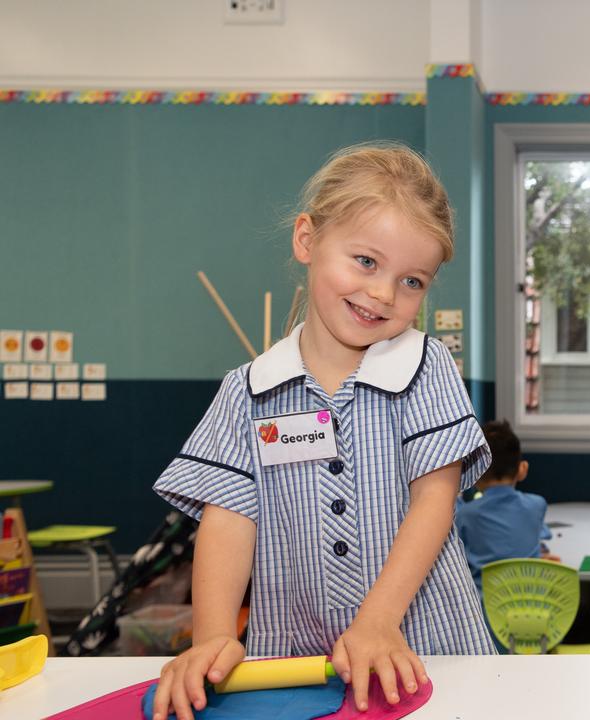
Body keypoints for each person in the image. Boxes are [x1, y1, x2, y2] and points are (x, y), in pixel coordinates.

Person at [150, 143, 493, 720]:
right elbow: (229, 519)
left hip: (425, 649)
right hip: (294, 662)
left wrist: (379, 621)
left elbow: (433, 501)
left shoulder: (428, 367)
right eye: (365, 261)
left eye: (412, 281)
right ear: (307, 240)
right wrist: (211, 636)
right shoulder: (247, 391)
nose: (384, 293)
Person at [456, 419, 556, 592]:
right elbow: (540, 536)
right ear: (522, 469)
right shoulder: (537, 505)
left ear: (474, 474)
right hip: (532, 606)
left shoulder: (465, 514)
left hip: (485, 610)